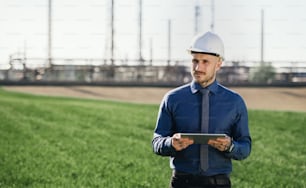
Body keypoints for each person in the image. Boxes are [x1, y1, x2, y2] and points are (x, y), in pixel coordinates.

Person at [152, 31, 252, 188]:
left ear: (219, 63)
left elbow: (245, 147)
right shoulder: (172, 99)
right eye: (195, 61)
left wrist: (230, 146)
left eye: (205, 62)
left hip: (219, 183)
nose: (198, 67)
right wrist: (170, 143)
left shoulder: (235, 102)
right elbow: (157, 141)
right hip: (181, 182)